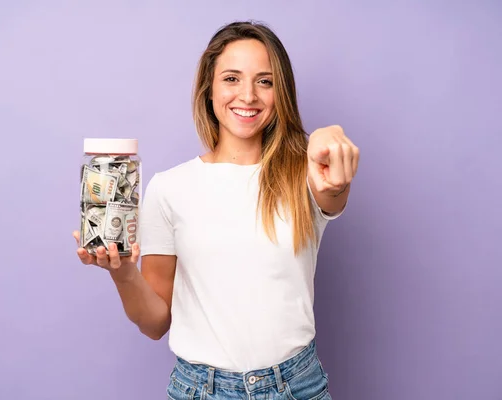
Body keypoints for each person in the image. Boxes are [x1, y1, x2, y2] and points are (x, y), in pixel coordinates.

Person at [73, 20, 359, 400]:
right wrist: (123, 272)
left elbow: (332, 190)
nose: (248, 95)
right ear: (209, 90)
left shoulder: (306, 175)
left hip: (297, 387)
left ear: (281, 93)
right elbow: (156, 323)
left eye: (265, 81)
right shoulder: (169, 188)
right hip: (201, 391)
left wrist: (330, 155)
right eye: (231, 79)